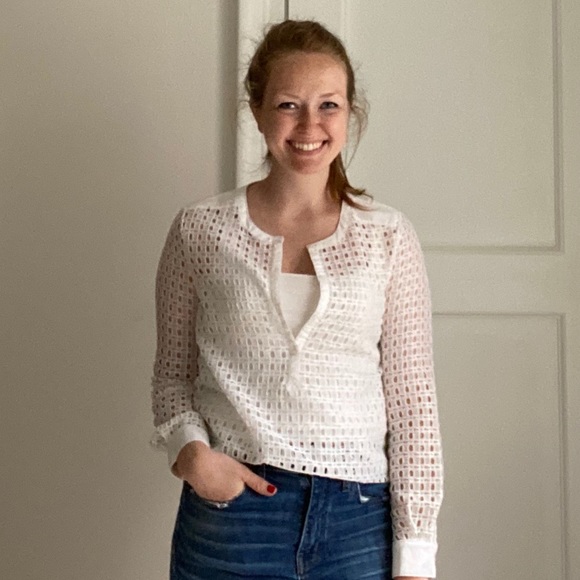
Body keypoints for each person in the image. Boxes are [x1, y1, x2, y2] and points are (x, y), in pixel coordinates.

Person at [151, 19, 443, 580]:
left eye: (328, 105)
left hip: (360, 521)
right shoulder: (200, 231)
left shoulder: (388, 237)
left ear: (350, 113)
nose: (310, 125)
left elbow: (413, 405)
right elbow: (171, 377)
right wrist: (192, 456)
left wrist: (416, 552)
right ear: (258, 112)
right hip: (231, 518)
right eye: (288, 105)